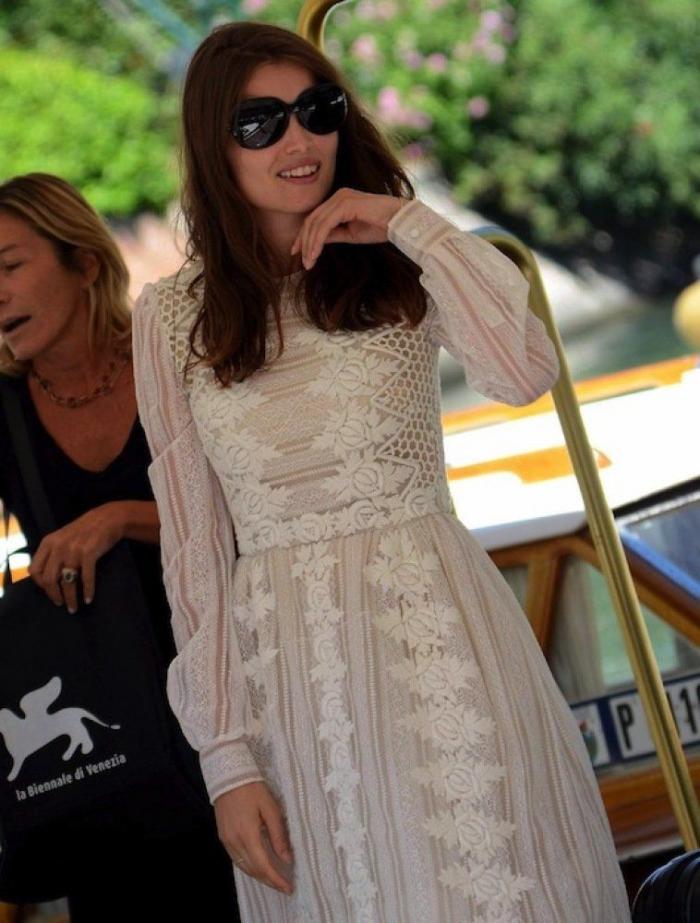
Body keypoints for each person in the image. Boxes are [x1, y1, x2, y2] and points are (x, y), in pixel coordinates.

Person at [132, 21, 631, 922]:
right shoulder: (171, 318)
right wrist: (225, 756)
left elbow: (522, 372)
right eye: (261, 123)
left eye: (317, 111)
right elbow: (194, 552)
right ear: (214, 143)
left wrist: (410, 221)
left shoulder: (399, 261)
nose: (299, 140)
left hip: (440, 640)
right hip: (285, 683)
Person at [0, 173, 240, 922]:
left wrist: (118, 518)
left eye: (9, 267)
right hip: (110, 768)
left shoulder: (175, 360)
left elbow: (249, 518)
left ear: (86, 263)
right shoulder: (1, 408)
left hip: (234, 703)